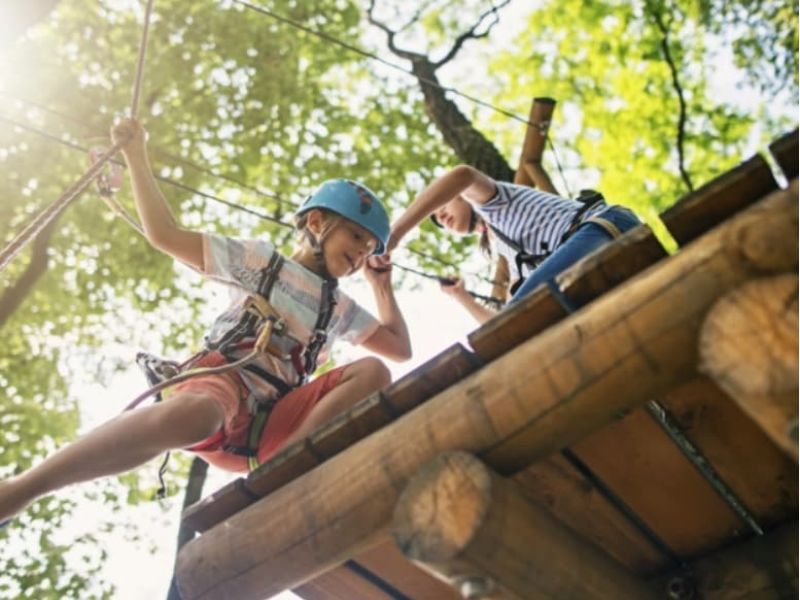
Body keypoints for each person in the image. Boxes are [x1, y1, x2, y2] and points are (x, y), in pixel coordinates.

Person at [0, 118, 411, 524]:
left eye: (369, 247)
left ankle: (287, 468)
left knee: (373, 371)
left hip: (272, 422)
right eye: (356, 237)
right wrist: (137, 156)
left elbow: (398, 349)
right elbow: (164, 234)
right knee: (197, 414)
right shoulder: (260, 262)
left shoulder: (337, 307)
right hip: (222, 385)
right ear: (318, 223)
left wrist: (381, 286)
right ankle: (21, 489)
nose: (362, 253)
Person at [385, 164, 641, 323]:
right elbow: (503, 325)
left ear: (461, 196)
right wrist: (461, 297)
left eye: (441, 207)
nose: (440, 218)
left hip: (603, 226)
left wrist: (395, 235)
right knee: (515, 322)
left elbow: (463, 175)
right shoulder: (510, 258)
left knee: (521, 313)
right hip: (587, 249)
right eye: (438, 222)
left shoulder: (494, 203)